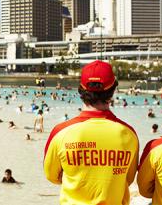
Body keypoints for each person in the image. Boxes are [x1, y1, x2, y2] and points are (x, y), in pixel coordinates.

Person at [44, 60, 138, 205]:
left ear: (81, 90)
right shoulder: (128, 133)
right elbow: (128, 178)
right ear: (112, 91)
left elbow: (51, 176)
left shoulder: (61, 132)